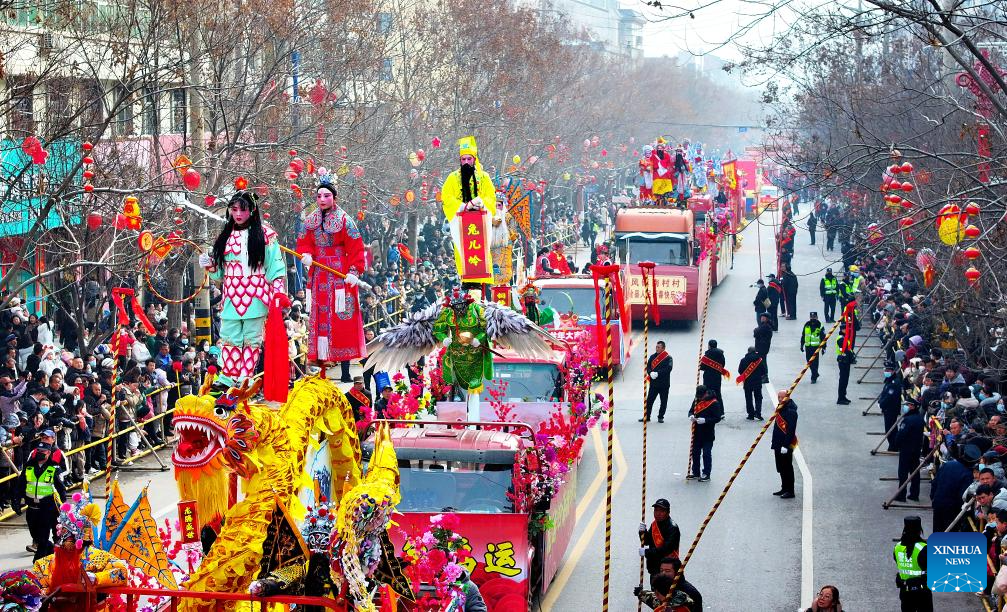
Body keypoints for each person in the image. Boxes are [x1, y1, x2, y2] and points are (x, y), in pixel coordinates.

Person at [199, 190, 288, 390]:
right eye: (234, 209)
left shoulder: (266, 235)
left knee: (251, 339)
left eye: (243, 209)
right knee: (229, 337)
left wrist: (278, 291)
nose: (238, 214)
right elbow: (220, 274)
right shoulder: (225, 236)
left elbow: (275, 267)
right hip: (231, 296)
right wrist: (210, 265)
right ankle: (228, 376)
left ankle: (245, 377)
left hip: (256, 295)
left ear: (252, 210)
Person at [296, 177, 368, 380]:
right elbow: (303, 242)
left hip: (339, 276)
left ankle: (344, 368)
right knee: (319, 319)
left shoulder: (345, 220)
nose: (322, 199)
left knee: (341, 320)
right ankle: (320, 366)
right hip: (318, 275)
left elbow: (356, 247)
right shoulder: (310, 221)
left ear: (334, 197)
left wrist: (354, 271)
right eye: (319, 195)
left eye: (326, 195)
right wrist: (306, 254)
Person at [441, 136, 496, 285]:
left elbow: (491, 198)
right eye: (463, 159)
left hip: (480, 226)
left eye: (469, 159)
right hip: (462, 225)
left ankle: (483, 288)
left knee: (481, 256)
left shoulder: (484, 177)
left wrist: (481, 203)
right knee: (465, 257)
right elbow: (446, 198)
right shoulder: (452, 178)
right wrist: (463, 206)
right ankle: (468, 286)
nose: (466, 162)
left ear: (474, 159)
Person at [13, 441, 67, 559]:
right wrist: (16, 501)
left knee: (43, 537)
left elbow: (61, 489)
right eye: (38, 451)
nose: (40, 453)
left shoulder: (54, 468)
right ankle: (50, 549)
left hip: (47, 508)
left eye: (43, 451)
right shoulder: (29, 466)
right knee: (36, 536)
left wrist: (63, 507)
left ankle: (38, 561)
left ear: (49, 453)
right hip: (31, 508)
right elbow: (20, 485)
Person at [931, 443, 979, 533]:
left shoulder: (947, 465)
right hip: (952, 510)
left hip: (938, 503)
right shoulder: (967, 474)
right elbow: (963, 495)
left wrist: (933, 497)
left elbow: (935, 482)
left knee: (937, 530)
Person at [893, 516, 932, 612]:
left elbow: (898, 561)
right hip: (922, 593)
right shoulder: (924, 548)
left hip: (905, 592)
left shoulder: (897, 547)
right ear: (919, 531)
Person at [687, 385, 723, 481]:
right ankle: (696, 472)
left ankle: (706, 473)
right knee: (695, 453)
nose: (699, 398)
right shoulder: (696, 399)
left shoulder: (714, 403)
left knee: (706, 454)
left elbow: (717, 418)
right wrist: (691, 416)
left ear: (706, 393)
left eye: (701, 396)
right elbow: (691, 411)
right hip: (696, 432)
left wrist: (705, 420)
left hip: (708, 433)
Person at [638, 498, 680, 576]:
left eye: (662, 511)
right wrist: (642, 532)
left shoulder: (672, 528)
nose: (658, 513)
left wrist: (646, 552)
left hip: (667, 570)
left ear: (668, 512)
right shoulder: (655, 524)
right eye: (656, 510)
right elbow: (647, 541)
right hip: (655, 568)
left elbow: (666, 549)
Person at [894, 399, 924, 502]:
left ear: (913, 406)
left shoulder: (908, 420)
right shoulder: (920, 418)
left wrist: (896, 443)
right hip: (916, 449)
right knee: (914, 472)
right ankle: (914, 494)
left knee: (903, 472)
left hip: (906, 449)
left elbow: (901, 434)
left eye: (908, 405)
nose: (906, 407)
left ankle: (901, 495)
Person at [772, 390, 798, 499]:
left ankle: (790, 491)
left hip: (785, 445)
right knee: (781, 467)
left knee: (787, 468)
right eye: (778, 397)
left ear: (787, 397)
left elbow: (790, 430)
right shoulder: (781, 407)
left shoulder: (791, 411)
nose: (779, 399)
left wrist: (786, 445)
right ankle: (784, 488)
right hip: (778, 443)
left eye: (781, 397)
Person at [642, 341, 673, 423]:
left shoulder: (668, 358)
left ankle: (660, 417)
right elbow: (648, 367)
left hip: (664, 384)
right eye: (656, 347)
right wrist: (650, 373)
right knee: (649, 401)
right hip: (654, 384)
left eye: (659, 347)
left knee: (663, 402)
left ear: (663, 348)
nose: (657, 348)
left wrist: (658, 373)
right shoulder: (652, 357)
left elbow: (668, 369)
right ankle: (647, 416)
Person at [878, 362, 903, 452]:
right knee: (890, 428)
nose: (886, 371)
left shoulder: (894, 382)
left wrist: (881, 404)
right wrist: (880, 401)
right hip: (887, 409)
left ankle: (893, 446)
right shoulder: (889, 380)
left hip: (891, 409)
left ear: (892, 371)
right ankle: (893, 445)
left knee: (890, 429)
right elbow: (884, 392)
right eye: (885, 370)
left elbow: (889, 396)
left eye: (888, 370)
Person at [738, 346, 766, 420]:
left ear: (748, 351)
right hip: (757, 382)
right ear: (755, 351)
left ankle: (751, 414)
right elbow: (764, 371)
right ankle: (758, 413)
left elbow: (740, 371)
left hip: (747, 382)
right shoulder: (759, 360)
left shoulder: (743, 360)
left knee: (748, 399)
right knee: (758, 398)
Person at [699, 339, 728, 404]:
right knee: (718, 393)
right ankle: (720, 409)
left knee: (708, 393)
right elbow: (722, 365)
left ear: (709, 346)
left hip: (708, 377)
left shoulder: (707, 355)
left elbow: (701, 366)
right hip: (717, 377)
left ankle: (709, 408)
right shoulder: (721, 354)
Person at [800, 311, 825, 383]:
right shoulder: (807, 324)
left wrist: (824, 348)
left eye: (814, 317)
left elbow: (823, 337)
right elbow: (803, 335)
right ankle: (815, 373)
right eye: (811, 317)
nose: (812, 318)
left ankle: (813, 378)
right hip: (808, 346)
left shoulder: (820, 325)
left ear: (817, 317)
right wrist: (802, 345)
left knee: (815, 362)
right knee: (809, 362)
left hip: (816, 347)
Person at [836, 330, 854, 405]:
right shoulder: (841, 338)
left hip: (846, 361)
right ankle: (840, 398)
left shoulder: (844, 338)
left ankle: (843, 396)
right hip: (843, 362)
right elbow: (845, 350)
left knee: (845, 380)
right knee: (843, 381)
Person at [754, 313, 773, 384]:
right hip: (763, 347)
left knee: (763, 362)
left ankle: (765, 376)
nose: (762, 318)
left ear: (767, 319)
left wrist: (756, 330)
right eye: (761, 317)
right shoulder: (765, 326)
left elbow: (756, 332)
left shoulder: (765, 326)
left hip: (762, 347)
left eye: (764, 317)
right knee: (762, 361)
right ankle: (763, 376)